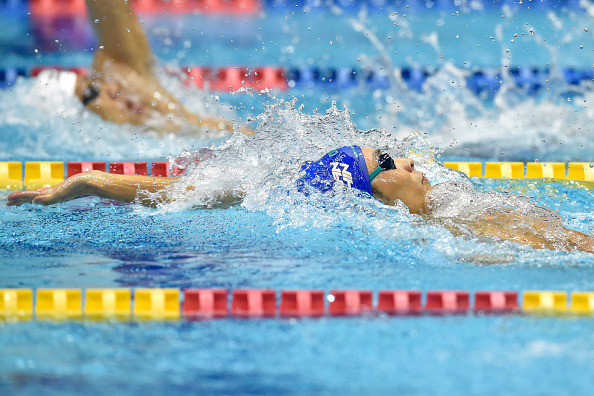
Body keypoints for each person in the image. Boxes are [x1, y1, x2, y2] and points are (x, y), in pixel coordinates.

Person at [6, 145, 593, 253]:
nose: (408, 160)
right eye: (388, 161)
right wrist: (78, 184)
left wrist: (85, 182)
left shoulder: (446, 214)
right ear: (374, 193)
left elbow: (184, 194)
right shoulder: (448, 223)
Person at [37, 0, 245, 134]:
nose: (110, 89)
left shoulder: (132, 82)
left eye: (95, 81)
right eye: (91, 93)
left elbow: (109, 8)